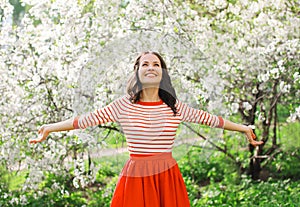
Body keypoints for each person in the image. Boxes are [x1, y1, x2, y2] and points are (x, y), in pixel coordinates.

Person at [30, 51, 263, 207]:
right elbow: (84, 120)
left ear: (162, 73)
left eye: (156, 64)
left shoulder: (174, 107)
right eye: (145, 64)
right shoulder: (123, 105)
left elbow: (211, 119)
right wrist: (49, 128)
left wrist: (243, 128)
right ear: (137, 72)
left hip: (167, 176)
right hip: (136, 177)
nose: (151, 67)